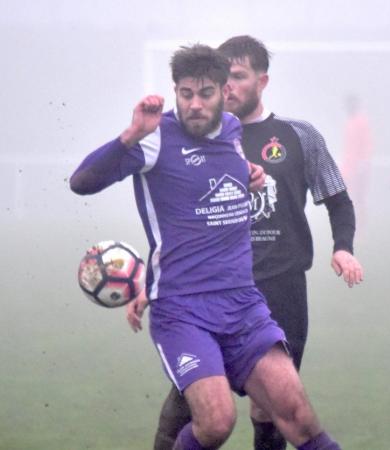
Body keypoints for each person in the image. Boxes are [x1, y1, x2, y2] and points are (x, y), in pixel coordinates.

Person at [71, 44, 341, 450]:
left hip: (242, 303)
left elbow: (221, 169)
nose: (194, 104)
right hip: (183, 308)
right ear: (176, 92)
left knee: (299, 418)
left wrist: (246, 175)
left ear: (222, 91)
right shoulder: (154, 138)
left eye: (205, 94)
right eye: (185, 94)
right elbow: (81, 183)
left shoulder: (232, 131)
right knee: (216, 422)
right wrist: (130, 135)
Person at [339, 94, 373, 239]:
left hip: (359, 167)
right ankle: (348, 227)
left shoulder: (362, 122)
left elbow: (367, 143)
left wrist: (364, 162)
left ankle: (361, 230)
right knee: (348, 198)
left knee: (359, 198)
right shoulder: (350, 122)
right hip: (348, 168)